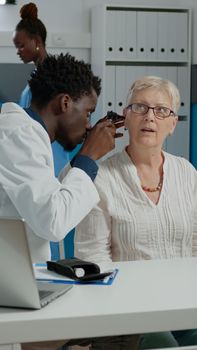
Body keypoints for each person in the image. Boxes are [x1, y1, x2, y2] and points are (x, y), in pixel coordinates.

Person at [0, 52, 139, 350]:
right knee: (118, 333)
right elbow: (54, 221)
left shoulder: (25, 134)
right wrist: (88, 157)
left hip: (19, 288)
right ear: (65, 103)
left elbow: (50, 198)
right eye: (88, 112)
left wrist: (84, 157)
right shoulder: (17, 135)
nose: (89, 124)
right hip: (10, 304)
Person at [75, 75, 197, 348]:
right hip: (128, 312)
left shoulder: (187, 173)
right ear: (126, 117)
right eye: (140, 107)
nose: (150, 117)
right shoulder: (101, 177)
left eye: (161, 110)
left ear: (173, 123)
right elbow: (91, 258)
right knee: (164, 345)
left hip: (184, 303)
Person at [13, 2, 71, 179]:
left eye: (21, 45)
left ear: (37, 42)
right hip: (34, 150)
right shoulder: (38, 74)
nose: (18, 51)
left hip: (50, 154)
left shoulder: (54, 75)